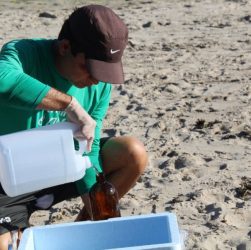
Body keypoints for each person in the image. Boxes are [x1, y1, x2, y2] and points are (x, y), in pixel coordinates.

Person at [0, 5, 148, 249]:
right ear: (65, 47)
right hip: (8, 182)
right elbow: (3, 79)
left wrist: (98, 217)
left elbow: (89, 150)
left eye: (105, 73)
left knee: (132, 153)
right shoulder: (23, 53)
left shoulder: (98, 85)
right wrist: (69, 104)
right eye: (91, 70)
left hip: (61, 170)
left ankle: (84, 230)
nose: (96, 81)